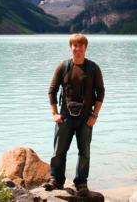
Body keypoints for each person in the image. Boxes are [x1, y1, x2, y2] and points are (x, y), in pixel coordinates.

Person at [43, 33, 105, 195]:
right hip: (65, 117)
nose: (77, 49)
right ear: (71, 47)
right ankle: (56, 179)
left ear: (85, 48)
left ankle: (81, 183)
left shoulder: (93, 68)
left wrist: (95, 115)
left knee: (84, 152)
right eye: (74, 45)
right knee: (58, 151)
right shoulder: (63, 66)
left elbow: (101, 93)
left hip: (86, 118)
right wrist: (54, 113)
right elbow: (52, 91)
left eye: (80, 46)